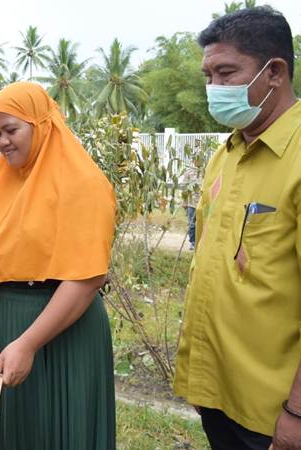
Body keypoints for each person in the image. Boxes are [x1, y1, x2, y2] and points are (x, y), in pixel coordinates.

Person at [0, 82, 117, 450]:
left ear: (42, 125)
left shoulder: (83, 184)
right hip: (9, 317)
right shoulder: (4, 181)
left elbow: (85, 278)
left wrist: (28, 343)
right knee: (16, 428)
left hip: (64, 325)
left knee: (60, 427)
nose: (2, 142)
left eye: (12, 130)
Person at [174, 7, 301, 450]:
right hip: (217, 394)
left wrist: (297, 413)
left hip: (273, 409)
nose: (213, 89)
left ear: (275, 73)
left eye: (226, 72)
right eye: (207, 75)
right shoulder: (225, 154)